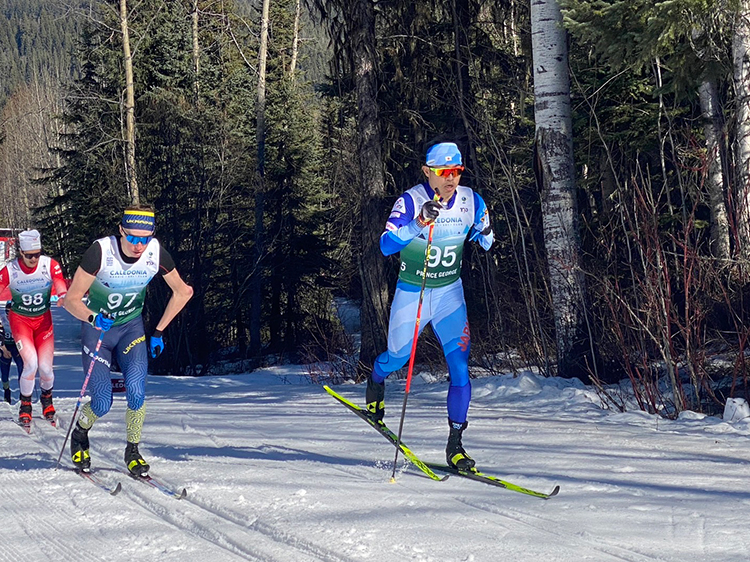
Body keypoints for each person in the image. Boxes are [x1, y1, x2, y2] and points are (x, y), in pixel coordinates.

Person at [365, 142, 494, 470]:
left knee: (461, 369)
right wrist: (418, 223)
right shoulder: (410, 201)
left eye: (457, 171)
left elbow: (485, 234)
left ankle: (456, 445)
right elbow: (385, 246)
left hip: (450, 294)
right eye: (443, 172)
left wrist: (485, 234)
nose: (451, 178)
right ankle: (376, 379)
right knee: (397, 357)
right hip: (414, 294)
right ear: (427, 172)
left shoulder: (471, 200)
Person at [64, 205, 193, 475]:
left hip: (131, 329)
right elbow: (70, 300)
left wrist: (158, 331)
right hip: (98, 331)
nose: (138, 245)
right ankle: (80, 434)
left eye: (145, 239)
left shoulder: (155, 253)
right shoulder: (100, 252)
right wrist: (92, 318)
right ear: (121, 231)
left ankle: (132, 450)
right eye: (133, 237)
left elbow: (184, 292)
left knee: (136, 390)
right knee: (102, 401)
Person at [0, 230, 68, 424]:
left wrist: (63, 295)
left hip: (43, 322)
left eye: (37, 254)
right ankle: (25, 405)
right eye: (29, 255)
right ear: (21, 252)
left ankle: (47, 401)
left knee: (46, 368)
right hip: (20, 321)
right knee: (30, 364)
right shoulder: (10, 269)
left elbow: (59, 283)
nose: (34, 259)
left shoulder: (49, 264)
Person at [0, 301, 24, 403]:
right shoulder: (1, 318)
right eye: (7, 311)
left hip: (16, 346)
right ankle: (6, 390)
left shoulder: (20, 318)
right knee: (4, 372)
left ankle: (24, 393)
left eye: (12, 311)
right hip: (4, 345)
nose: (9, 314)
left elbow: (24, 335)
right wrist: (3, 348)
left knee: (22, 369)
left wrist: (22, 350)